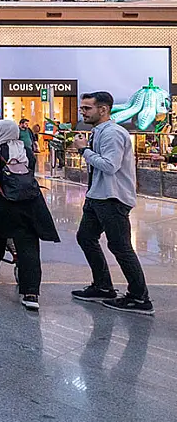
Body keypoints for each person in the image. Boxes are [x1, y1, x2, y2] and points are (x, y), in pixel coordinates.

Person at [70, 91, 154, 315]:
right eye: (82, 108)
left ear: (103, 109)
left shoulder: (113, 134)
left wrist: (83, 150)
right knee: (86, 237)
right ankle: (103, 286)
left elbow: (110, 166)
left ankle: (139, 297)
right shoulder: (99, 132)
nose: (83, 112)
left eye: (87, 108)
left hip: (112, 197)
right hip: (97, 196)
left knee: (120, 246)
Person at [0, 119, 60, 310]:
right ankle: (31, 293)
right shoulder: (26, 151)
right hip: (29, 204)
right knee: (29, 247)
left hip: (1, 205)